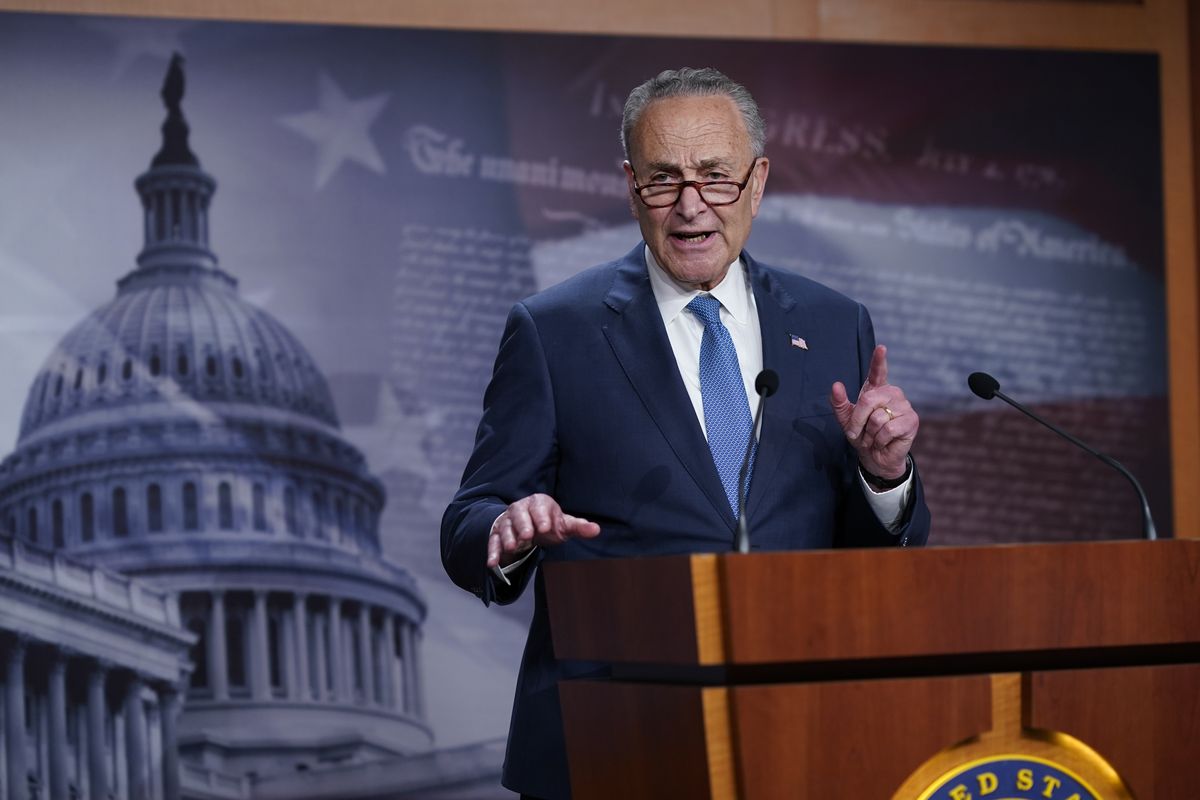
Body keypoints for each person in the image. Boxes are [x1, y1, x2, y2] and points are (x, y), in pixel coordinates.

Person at [441, 67, 931, 800]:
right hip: (609, 739)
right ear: (630, 186)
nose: (690, 204)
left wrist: (885, 477)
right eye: (663, 179)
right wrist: (504, 529)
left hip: (800, 733)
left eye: (716, 177)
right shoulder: (555, 330)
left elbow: (875, 552)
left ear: (758, 183)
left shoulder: (834, 323)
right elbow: (467, 519)